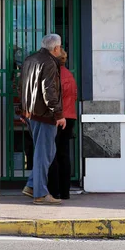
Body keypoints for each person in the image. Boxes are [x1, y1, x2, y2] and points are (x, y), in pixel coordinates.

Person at [20, 34, 66, 204]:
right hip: (45, 114)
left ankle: (32, 185)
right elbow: (49, 91)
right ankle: (40, 194)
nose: (60, 50)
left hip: (31, 113)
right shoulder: (49, 63)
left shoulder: (30, 59)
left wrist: (23, 111)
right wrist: (59, 114)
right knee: (44, 153)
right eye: (60, 47)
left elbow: (22, 87)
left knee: (47, 151)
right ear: (55, 48)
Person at [48, 48, 78, 200]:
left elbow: (52, 97)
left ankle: (54, 191)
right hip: (70, 116)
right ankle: (65, 191)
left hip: (58, 117)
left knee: (52, 154)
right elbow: (74, 95)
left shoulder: (54, 75)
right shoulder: (69, 75)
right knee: (64, 154)